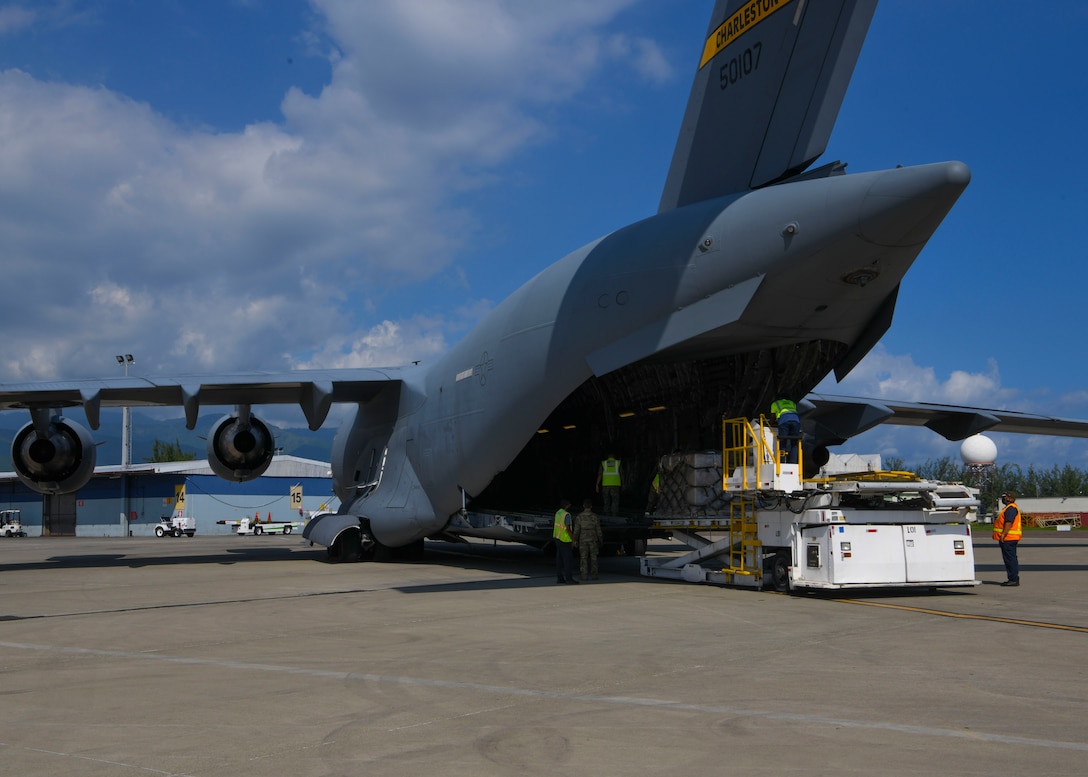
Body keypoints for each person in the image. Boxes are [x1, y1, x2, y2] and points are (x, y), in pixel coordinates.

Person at [993, 491, 1022, 586]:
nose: (1003, 499)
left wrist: (1003, 534)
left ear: (1010, 498)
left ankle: (1013, 579)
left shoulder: (1011, 509)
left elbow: (1008, 523)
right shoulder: (1008, 508)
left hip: (1009, 538)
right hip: (1009, 538)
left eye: (1004, 497)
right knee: (1009, 558)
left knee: (1010, 559)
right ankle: (1012, 578)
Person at [573, 498, 604, 581]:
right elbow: (598, 530)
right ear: (591, 506)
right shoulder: (595, 517)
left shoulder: (579, 517)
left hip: (583, 540)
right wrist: (600, 540)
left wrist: (574, 540)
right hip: (593, 539)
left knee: (583, 558)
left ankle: (584, 575)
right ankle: (594, 575)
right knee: (594, 558)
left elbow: (576, 530)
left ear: (583, 506)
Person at [553, 498, 578, 584]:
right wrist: (573, 539)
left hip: (557, 537)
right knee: (568, 560)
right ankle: (569, 579)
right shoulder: (566, 515)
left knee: (559, 559)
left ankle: (560, 578)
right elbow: (567, 528)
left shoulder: (558, 513)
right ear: (567, 506)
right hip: (564, 539)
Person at [770, 398, 801, 464]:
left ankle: (782, 461)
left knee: (782, 441)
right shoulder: (792, 403)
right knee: (794, 443)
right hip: (796, 421)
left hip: (784, 420)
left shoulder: (776, 403)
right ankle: (793, 462)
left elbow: (772, 418)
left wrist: (772, 423)